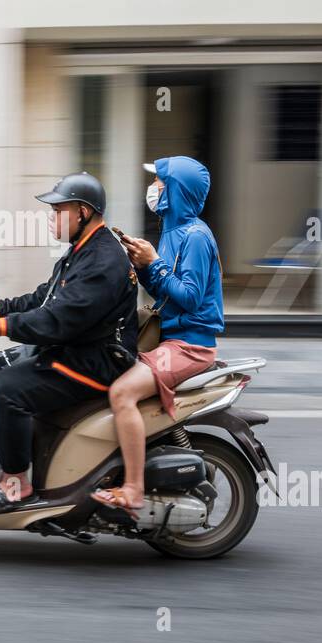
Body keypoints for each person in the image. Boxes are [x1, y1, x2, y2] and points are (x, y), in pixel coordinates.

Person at [0, 172, 138, 513]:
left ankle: (17, 484)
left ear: (82, 213)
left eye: (59, 210)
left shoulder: (103, 261)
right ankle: (7, 452)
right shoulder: (81, 251)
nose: (51, 217)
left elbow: (57, 321)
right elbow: (44, 298)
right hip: (75, 346)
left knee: (6, 387)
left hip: (99, 359)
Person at [92, 156, 224, 517]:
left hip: (190, 346)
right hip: (171, 338)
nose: (155, 189)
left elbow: (190, 297)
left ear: (178, 190)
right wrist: (142, 266)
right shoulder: (172, 231)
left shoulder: (195, 237)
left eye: (162, 183)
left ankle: (133, 489)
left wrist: (156, 264)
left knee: (121, 393)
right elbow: (166, 295)